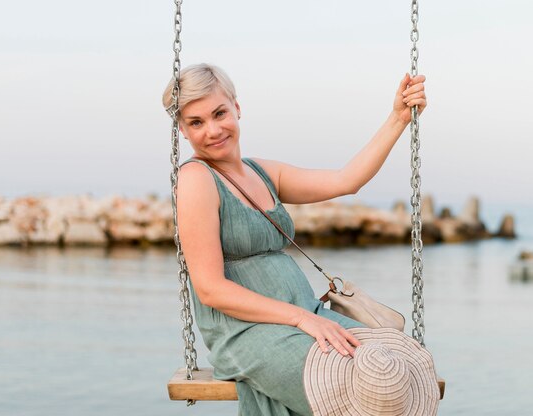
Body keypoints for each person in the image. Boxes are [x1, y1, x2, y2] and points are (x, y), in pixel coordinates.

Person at [162, 63, 439, 416]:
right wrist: (301, 319)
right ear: (183, 130)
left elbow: (345, 180)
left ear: (237, 107)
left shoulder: (261, 171)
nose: (213, 130)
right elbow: (210, 289)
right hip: (247, 333)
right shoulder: (196, 179)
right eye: (196, 122)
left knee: (394, 368)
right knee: (350, 388)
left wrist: (398, 118)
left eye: (219, 113)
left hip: (307, 317)